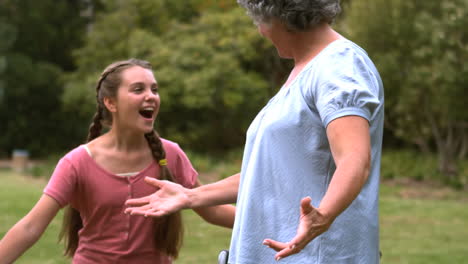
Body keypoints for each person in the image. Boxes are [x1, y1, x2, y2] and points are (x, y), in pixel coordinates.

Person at [125, 0, 384, 263]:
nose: (261, 31)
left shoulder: (339, 67)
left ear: (281, 17)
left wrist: (324, 215)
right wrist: (191, 196)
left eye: (260, 21)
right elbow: (270, 173)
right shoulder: (306, 70)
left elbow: (354, 158)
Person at [0, 59, 235, 264]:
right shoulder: (77, 162)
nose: (151, 96)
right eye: (138, 89)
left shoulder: (170, 154)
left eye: (154, 89)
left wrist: (271, 224)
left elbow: (212, 211)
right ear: (110, 103)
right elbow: (31, 227)